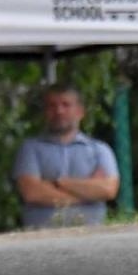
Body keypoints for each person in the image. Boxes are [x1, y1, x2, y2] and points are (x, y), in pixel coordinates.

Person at [12, 84, 118, 229]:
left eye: (66, 105)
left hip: (91, 235)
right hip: (41, 236)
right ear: (45, 112)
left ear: (80, 112)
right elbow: (32, 192)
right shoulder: (30, 148)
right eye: (52, 106)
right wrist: (88, 195)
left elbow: (108, 189)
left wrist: (58, 183)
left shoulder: (99, 150)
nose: (59, 111)